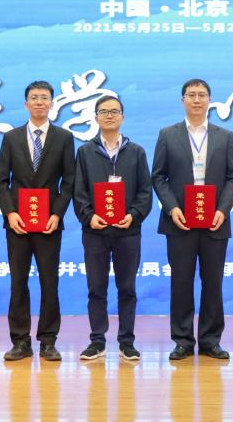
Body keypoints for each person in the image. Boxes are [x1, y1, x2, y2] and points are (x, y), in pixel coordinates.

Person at [152, 79, 233, 360]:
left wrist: (223, 209)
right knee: (181, 282)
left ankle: (210, 341)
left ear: (209, 100)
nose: (197, 100)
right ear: (183, 100)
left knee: (213, 282)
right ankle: (182, 340)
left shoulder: (225, 136)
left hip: (215, 220)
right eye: (191, 95)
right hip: (180, 221)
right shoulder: (168, 134)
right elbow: (158, 176)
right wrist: (172, 208)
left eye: (202, 95)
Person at [0, 81, 76, 362]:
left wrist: (57, 214)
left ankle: (48, 341)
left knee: (49, 281)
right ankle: (20, 341)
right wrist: (10, 213)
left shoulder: (64, 138)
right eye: (34, 98)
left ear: (51, 103)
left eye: (44, 98)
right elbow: (1, 181)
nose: (39, 102)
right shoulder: (11, 137)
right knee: (18, 282)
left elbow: (69, 181)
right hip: (17, 223)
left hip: (48, 223)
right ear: (26, 104)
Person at [72, 95, 153, 361]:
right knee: (96, 288)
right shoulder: (85, 152)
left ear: (122, 117)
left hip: (127, 231)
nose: (109, 115)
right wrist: (88, 216)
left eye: (114, 111)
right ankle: (97, 340)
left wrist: (133, 215)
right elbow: (78, 191)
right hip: (95, 231)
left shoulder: (136, 152)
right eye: (104, 111)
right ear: (96, 117)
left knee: (127, 288)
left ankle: (126, 341)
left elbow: (145, 191)